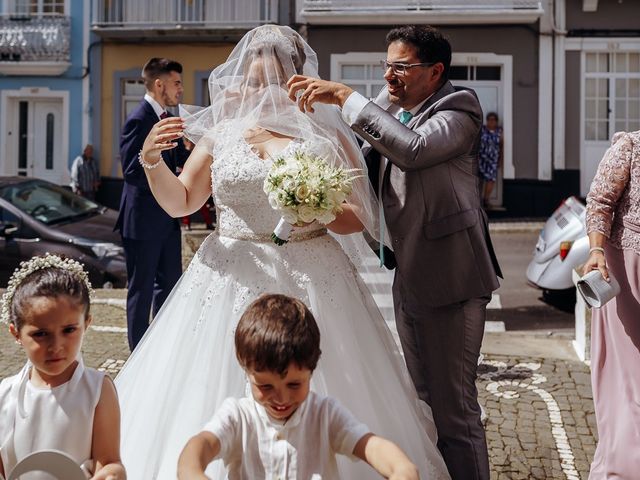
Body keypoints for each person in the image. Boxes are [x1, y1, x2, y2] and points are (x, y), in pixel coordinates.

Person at [114, 25, 450, 479]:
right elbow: (182, 202)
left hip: (312, 271)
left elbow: (358, 218)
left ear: (295, 80)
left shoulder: (324, 136)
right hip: (227, 271)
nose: (261, 90)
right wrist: (152, 161)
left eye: (272, 79)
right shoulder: (222, 133)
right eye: (253, 81)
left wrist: (316, 203)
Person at [287, 24, 502, 480]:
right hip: (409, 274)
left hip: (454, 279)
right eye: (386, 66)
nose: (388, 76)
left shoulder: (459, 108)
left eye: (400, 67)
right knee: (422, 406)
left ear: (435, 71)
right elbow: (359, 158)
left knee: (455, 412)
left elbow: (414, 150)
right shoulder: (391, 107)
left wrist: (346, 95)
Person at [178, 294, 420, 480]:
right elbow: (200, 446)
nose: (281, 397)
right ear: (247, 372)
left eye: (294, 384)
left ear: (311, 370)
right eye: (265, 386)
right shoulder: (239, 417)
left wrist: (401, 468)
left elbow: (372, 446)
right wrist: (193, 472)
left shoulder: (324, 414)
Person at [0, 253, 126, 480]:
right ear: (16, 333)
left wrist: (111, 474)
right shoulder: (6, 394)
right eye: (40, 334)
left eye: (68, 330)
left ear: (86, 323)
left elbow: (109, 462)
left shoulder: (97, 390)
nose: (56, 346)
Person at [114, 57, 190, 350]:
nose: (180, 89)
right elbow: (132, 171)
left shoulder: (167, 119)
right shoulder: (138, 119)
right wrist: (168, 181)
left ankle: (158, 347)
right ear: (159, 84)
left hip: (169, 220)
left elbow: (177, 161)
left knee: (169, 287)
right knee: (141, 290)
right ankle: (138, 354)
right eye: (176, 83)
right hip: (143, 222)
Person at [584, 130, 640, 479]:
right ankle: (622, 468)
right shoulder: (631, 146)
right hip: (627, 277)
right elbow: (599, 202)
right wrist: (596, 250)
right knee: (628, 383)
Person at [478, 112, 503, 209]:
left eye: (494, 120)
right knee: (479, 179)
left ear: (496, 121)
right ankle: (477, 201)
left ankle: (486, 200)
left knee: (491, 180)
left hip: (493, 159)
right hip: (481, 158)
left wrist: (500, 160)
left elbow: (501, 146)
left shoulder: (499, 132)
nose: (491, 121)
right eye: (489, 119)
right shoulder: (482, 130)